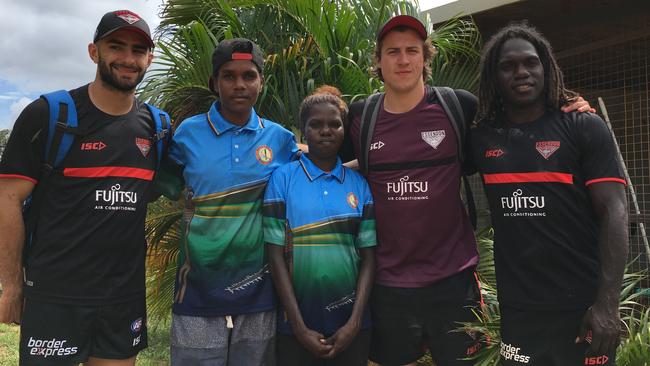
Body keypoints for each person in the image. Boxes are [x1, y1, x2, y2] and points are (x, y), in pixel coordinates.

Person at [339, 15, 593, 366]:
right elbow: (327, 169)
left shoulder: (456, 107)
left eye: (412, 50)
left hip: (453, 280)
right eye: (392, 51)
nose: (403, 59)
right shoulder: (360, 119)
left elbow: (517, 116)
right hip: (386, 283)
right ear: (378, 62)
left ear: (426, 59)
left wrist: (562, 105)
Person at [0, 10, 163, 366]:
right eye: (115, 46)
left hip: (123, 297)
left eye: (138, 50)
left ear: (149, 58)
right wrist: (11, 286)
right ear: (94, 52)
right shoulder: (49, 114)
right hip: (55, 295)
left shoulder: (156, 127)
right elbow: (7, 200)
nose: (127, 58)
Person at [470, 22, 628, 366]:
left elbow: (615, 212)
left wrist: (608, 304)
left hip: (584, 308)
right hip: (519, 311)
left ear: (546, 66)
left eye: (530, 62)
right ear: (494, 77)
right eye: (508, 66)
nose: (521, 72)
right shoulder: (482, 137)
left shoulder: (584, 127)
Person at [156, 38, 299, 365]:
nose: (239, 84)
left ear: (261, 82)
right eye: (229, 76)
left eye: (249, 75)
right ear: (214, 83)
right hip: (196, 294)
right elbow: (160, 182)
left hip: (260, 296)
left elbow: (312, 174)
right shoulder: (187, 135)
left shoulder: (279, 139)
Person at [264, 86, 377, 366]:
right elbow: (274, 255)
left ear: (344, 129)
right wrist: (300, 328)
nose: (326, 131)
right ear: (303, 130)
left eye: (334, 124)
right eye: (316, 124)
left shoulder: (359, 186)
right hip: (296, 327)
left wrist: (354, 323)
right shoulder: (282, 180)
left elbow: (369, 258)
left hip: (352, 328)